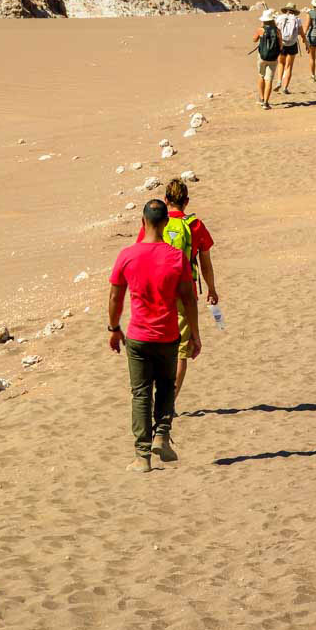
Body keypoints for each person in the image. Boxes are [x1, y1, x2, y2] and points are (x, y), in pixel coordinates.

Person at [109, 199, 201, 473]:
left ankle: (142, 456)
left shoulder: (127, 254)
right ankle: (162, 435)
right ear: (165, 224)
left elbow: (116, 296)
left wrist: (114, 329)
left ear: (143, 222)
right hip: (168, 334)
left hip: (138, 336)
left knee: (140, 394)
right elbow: (189, 298)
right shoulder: (176, 257)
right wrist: (195, 334)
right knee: (165, 387)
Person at [136, 178, 218, 401]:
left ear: (165, 200)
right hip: (184, 291)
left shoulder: (154, 222)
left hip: (155, 290)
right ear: (187, 201)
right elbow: (205, 264)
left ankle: (152, 397)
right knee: (181, 350)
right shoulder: (195, 225)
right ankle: (168, 401)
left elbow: (141, 254)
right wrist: (211, 289)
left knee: (154, 342)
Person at [274, 1, 307, 94]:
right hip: (292, 44)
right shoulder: (297, 19)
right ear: (294, 11)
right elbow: (301, 32)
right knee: (288, 66)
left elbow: (276, 30)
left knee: (281, 63)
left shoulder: (279, 18)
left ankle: (279, 81)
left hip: (281, 44)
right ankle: (285, 87)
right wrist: (306, 42)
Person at [253, 8, 281, 109]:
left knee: (261, 75)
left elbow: (254, 40)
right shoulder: (277, 31)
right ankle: (266, 102)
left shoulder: (261, 30)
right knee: (269, 79)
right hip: (273, 58)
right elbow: (281, 45)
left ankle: (261, 98)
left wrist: (261, 30)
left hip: (262, 57)